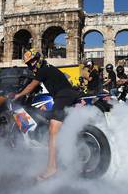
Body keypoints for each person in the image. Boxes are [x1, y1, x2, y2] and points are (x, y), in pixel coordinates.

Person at [13, 49, 79, 181]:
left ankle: (52, 167)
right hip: (67, 94)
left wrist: (18, 95)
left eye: (33, 61)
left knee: (53, 129)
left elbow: (31, 86)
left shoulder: (43, 69)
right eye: (29, 64)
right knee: (51, 119)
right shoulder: (47, 69)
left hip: (64, 95)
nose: (31, 65)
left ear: (38, 58)